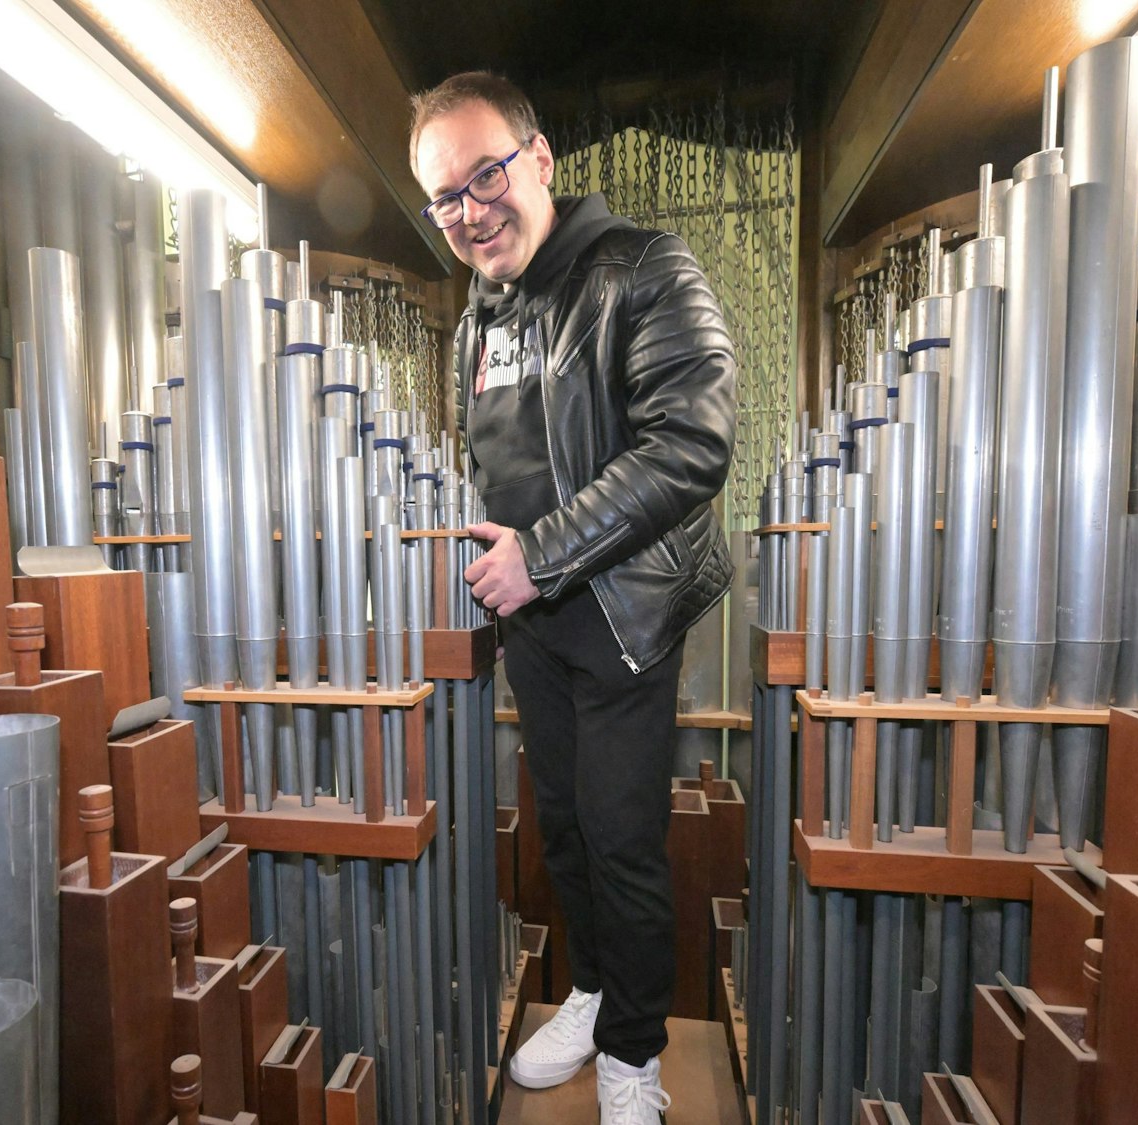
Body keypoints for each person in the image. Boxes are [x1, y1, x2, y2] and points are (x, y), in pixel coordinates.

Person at [408, 71, 737, 1123]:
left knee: (622, 841)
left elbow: (690, 444)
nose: (470, 210)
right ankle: (592, 995)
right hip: (531, 624)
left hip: (624, 617)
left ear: (538, 159)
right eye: (444, 197)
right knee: (560, 831)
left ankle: (633, 1058)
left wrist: (540, 555)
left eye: (485, 174)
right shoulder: (475, 323)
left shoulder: (643, 268)